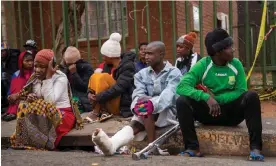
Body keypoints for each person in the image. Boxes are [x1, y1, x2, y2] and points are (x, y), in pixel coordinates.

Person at [176, 29, 263, 161]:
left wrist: (216, 99)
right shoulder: (204, 64)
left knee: (251, 96)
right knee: (182, 101)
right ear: (217, 52)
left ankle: (255, 148)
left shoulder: (235, 64)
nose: (233, 50)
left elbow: (240, 91)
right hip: (208, 114)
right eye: (229, 47)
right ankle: (192, 147)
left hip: (231, 115)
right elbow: (182, 86)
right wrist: (205, 97)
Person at [91, 41, 182, 156]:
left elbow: (169, 95)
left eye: (150, 54)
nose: (146, 56)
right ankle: (113, 145)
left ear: (161, 54)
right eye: (145, 54)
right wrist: (136, 107)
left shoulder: (174, 72)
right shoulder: (141, 74)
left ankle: (145, 145)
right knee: (140, 111)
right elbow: (137, 94)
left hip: (167, 112)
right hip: (146, 112)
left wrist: (151, 104)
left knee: (146, 104)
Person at [9, 49, 82, 150]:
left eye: (42, 67)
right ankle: (24, 139)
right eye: (36, 66)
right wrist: (30, 97)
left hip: (62, 115)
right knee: (24, 105)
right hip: (44, 114)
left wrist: (48, 77)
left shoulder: (60, 78)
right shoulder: (35, 78)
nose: (37, 70)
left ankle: (42, 142)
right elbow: (38, 99)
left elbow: (50, 101)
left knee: (42, 107)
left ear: (50, 66)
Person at [85, 33, 136, 122]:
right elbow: (97, 82)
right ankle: (102, 110)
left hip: (121, 105)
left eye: (104, 56)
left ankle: (96, 111)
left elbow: (119, 88)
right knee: (95, 75)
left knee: (103, 76)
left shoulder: (128, 66)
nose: (103, 58)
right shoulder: (107, 65)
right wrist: (90, 92)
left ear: (110, 56)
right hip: (108, 101)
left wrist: (98, 97)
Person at [2, 51, 34, 121]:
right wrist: (9, 96)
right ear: (21, 61)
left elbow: (32, 88)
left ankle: (13, 110)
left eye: (31, 60)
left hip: (29, 97)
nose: (30, 63)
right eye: (27, 61)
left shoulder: (35, 73)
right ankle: (12, 109)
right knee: (17, 79)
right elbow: (10, 90)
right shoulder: (16, 74)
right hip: (17, 98)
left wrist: (18, 95)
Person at [62, 46, 94, 113]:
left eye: (70, 64)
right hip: (71, 101)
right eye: (67, 64)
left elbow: (85, 88)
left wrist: (74, 73)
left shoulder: (87, 68)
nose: (69, 67)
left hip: (84, 102)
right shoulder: (66, 69)